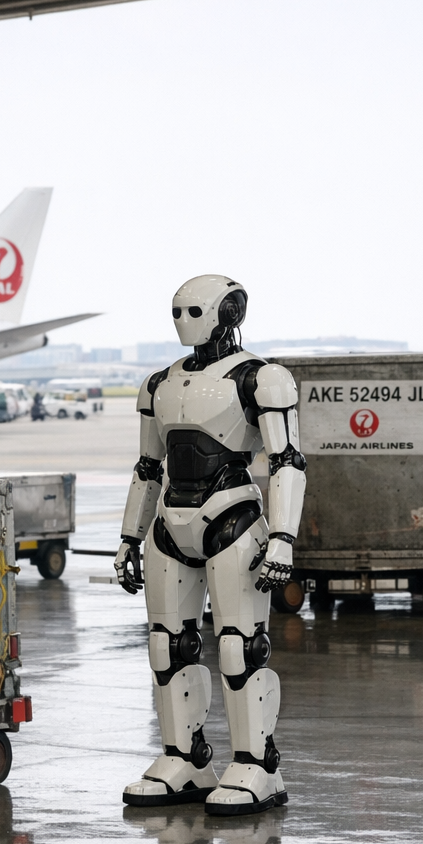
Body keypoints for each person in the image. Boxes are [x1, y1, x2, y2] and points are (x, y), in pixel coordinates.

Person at [115, 275, 306, 816]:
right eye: (175, 310)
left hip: (233, 518)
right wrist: (129, 536)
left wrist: (284, 540)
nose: (181, 320)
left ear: (228, 311)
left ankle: (257, 766)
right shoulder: (159, 383)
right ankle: (185, 759)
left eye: (193, 310)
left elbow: (288, 461)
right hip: (169, 523)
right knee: (166, 644)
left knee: (238, 645)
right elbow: (148, 466)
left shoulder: (261, 379)